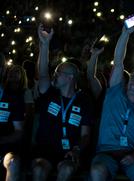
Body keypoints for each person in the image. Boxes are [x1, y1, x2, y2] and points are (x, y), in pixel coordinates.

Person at [90, 24, 134, 181]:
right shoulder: (115, 93)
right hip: (106, 153)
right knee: (97, 171)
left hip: (130, 156)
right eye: (132, 77)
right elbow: (118, 62)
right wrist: (125, 34)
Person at [32, 24, 94, 181]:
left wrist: (77, 150)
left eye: (58, 73)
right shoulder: (50, 92)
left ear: (70, 77)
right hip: (45, 151)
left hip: (68, 153)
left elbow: (86, 134)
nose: (55, 75)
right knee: (39, 169)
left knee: (66, 169)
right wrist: (45, 45)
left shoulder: (84, 100)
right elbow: (43, 72)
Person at [0, 64, 27, 181]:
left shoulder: (15, 97)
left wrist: (2, 140)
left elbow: (19, 131)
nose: (12, 74)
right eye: (11, 71)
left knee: (13, 162)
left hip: (5, 147)